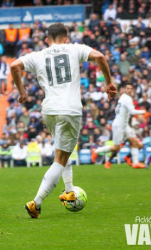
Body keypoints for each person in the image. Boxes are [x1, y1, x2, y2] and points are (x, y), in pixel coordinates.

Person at [11, 23, 116, 218]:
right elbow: (100, 57)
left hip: (49, 109)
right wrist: (109, 82)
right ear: (65, 38)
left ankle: (68, 191)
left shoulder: (38, 55)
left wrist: (22, 91)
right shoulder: (75, 49)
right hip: (70, 109)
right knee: (60, 159)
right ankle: (37, 202)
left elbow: (14, 66)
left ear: (47, 39)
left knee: (62, 151)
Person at [92, 83, 146, 169]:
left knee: (135, 142)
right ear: (125, 89)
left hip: (125, 125)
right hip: (119, 126)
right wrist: (143, 112)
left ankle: (135, 163)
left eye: (131, 88)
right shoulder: (127, 99)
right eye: (128, 88)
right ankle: (96, 151)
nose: (129, 90)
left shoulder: (124, 97)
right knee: (115, 148)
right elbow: (132, 112)